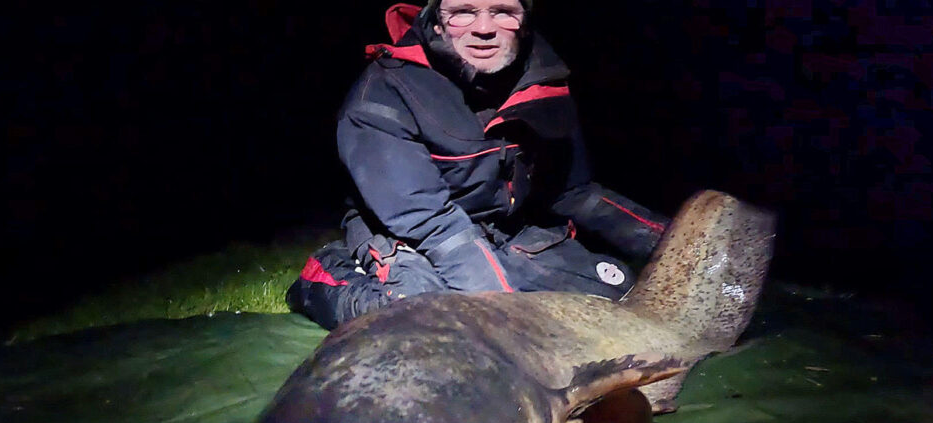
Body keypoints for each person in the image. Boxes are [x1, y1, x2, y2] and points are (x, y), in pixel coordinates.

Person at [287, 0, 670, 329]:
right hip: (408, 232)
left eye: (502, 11)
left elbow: (573, 192)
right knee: (429, 320)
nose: (483, 28)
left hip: (504, 228)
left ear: (524, 20)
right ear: (436, 20)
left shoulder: (544, 78)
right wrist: (502, 314)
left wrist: (667, 238)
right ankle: (321, 278)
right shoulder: (383, 96)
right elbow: (432, 223)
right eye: (463, 12)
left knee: (619, 295)